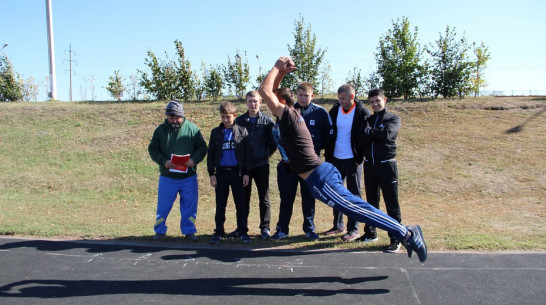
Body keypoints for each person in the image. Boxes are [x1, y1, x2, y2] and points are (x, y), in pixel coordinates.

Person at [258, 56, 427, 263]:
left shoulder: (290, 117)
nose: (269, 104)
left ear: (282, 102)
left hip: (320, 177)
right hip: (318, 177)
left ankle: (407, 233)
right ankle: (404, 232)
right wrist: (282, 73)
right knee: (355, 208)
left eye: (274, 101)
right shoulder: (291, 115)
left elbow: (264, 91)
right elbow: (272, 90)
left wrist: (276, 67)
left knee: (357, 208)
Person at [271, 82, 333, 241]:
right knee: (286, 198)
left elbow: (328, 136)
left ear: (312, 96)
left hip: (309, 166)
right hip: (288, 165)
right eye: (300, 95)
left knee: (309, 197)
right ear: (296, 95)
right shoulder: (288, 110)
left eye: (307, 95)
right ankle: (282, 229)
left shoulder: (320, 113)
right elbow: (277, 135)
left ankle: (309, 228)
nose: (303, 98)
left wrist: (314, 151)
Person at [148, 100, 208, 241]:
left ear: (182, 116)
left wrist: (194, 160)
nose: (174, 120)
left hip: (189, 177)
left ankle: (189, 231)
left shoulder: (193, 129)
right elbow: (153, 149)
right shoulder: (160, 130)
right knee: (163, 205)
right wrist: (164, 162)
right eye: (171, 117)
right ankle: (159, 230)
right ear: (167, 116)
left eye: (177, 117)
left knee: (190, 205)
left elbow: (202, 147)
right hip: (167, 177)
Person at [357, 88, 404, 252]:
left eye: (378, 100)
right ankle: (370, 233)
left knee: (392, 203)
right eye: (372, 102)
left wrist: (370, 132)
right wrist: (371, 133)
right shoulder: (368, 119)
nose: (375, 104)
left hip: (387, 165)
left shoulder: (393, 118)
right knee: (371, 202)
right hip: (370, 165)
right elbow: (360, 140)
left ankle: (396, 237)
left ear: (385, 100)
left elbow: (387, 135)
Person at [324, 84, 371, 241]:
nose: (340, 101)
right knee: (336, 193)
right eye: (339, 98)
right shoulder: (335, 110)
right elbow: (329, 132)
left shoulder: (362, 112)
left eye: (343, 98)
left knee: (353, 195)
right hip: (335, 159)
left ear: (352, 97)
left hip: (353, 161)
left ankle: (353, 229)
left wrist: (359, 158)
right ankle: (338, 225)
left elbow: (365, 137)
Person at [207, 101, 252, 245]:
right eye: (223, 117)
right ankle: (219, 231)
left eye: (229, 116)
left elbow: (247, 155)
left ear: (234, 115)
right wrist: (211, 174)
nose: (226, 120)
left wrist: (246, 173)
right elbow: (211, 154)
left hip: (237, 173)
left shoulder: (242, 131)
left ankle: (243, 231)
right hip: (221, 174)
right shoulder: (216, 132)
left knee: (241, 204)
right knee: (220, 204)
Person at [235, 91, 277, 239]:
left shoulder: (268, 121)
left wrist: (265, 155)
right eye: (250, 101)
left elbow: (273, 143)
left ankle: (265, 227)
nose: (253, 104)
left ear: (260, 102)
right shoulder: (239, 121)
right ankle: (242, 227)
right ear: (246, 103)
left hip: (261, 165)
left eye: (255, 101)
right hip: (245, 166)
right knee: (243, 198)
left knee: (264, 198)